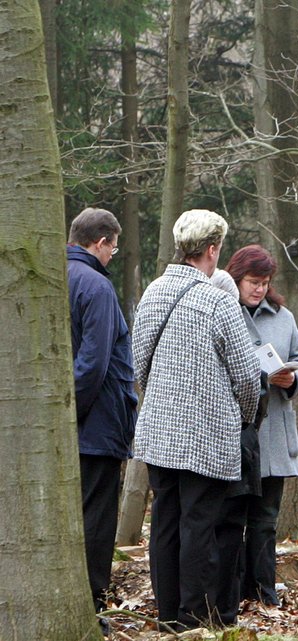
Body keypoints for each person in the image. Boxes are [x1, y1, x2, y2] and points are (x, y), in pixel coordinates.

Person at [132, 209, 261, 631]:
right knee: (199, 526)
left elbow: (138, 366)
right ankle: (194, 615)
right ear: (211, 249)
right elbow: (246, 376)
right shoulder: (219, 301)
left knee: (165, 521)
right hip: (206, 435)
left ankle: (167, 612)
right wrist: (243, 418)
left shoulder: (152, 293)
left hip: (157, 432)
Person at [224, 245, 298, 606]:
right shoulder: (223, 311)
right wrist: (257, 379)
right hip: (235, 432)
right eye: (252, 282)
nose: (258, 289)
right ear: (236, 278)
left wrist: (291, 381)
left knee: (265, 519)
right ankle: (231, 590)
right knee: (232, 517)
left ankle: (264, 589)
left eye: (264, 283)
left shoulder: (283, 316)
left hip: (274, 433)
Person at [66, 208, 139, 622]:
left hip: (74, 426)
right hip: (96, 425)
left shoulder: (58, 275)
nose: (113, 254)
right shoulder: (96, 286)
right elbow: (93, 363)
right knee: (95, 519)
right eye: (113, 246)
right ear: (101, 242)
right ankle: (90, 603)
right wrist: (71, 413)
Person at [208, 268, 267, 627]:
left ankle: (208, 607)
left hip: (211, 447)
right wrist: (246, 419)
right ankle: (224, 610)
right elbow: (251, 384)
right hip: (237, 443)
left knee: (210, 528)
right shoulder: (233, 329)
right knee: (230, 530)